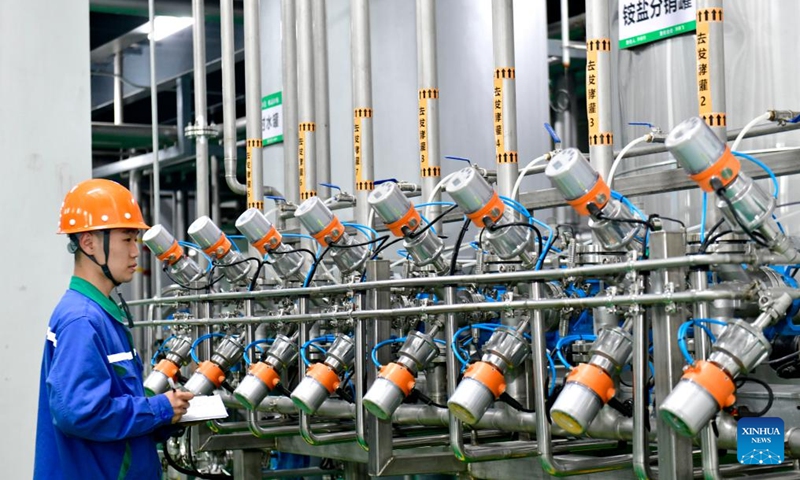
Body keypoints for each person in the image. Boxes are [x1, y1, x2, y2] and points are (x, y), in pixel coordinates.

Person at [34, 179, 194, 479]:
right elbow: (78, 413)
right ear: (89, 243)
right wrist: (158, 409)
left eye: (136, 240)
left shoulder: (101, 315)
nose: (136, 252)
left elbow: (116, 408)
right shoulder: (82, 320)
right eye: (127, 239)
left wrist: (167, 414)